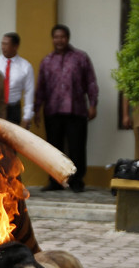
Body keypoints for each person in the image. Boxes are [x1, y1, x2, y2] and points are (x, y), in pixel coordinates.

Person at [35, 25, 99, 192]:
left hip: (76, 110)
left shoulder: (80, 58)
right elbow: (40, 87)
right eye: (56, 37)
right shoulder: (47, 61)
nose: (59, 40)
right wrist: (36, 110)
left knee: (77, 147)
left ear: (68, 38)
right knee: (53, 149)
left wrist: (93, 104)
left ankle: (77, 181)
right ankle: (55, 182)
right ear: (52, 39)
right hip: (53, 111)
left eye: (62, 37)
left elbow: (91, 82)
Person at [0, 32, 35, 129]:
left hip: (13, 109)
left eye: (6, 44)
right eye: (2, 44)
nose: (3, 47)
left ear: (15, 46)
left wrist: (27, 117)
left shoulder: (25, 66)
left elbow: (29, 93)